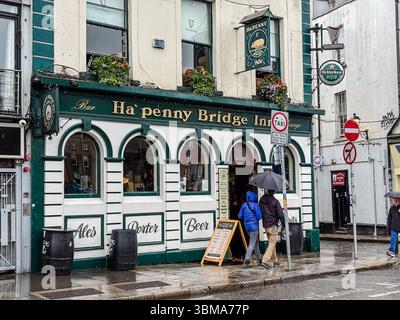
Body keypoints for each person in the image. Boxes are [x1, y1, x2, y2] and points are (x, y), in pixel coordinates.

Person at [259, 189, 284, 269]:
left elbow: (261, 211)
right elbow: (280, 214)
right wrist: (283, 223)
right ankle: (265, 261)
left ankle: (275, 260)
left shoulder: (261, 200)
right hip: (273, 225)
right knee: (272, 243)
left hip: (265, 224)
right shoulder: (275, 201)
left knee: (271, 242)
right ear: (273, 192)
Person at [238, 190, 263, 268]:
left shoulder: (244, 205)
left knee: (255, 243)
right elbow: (259, 216)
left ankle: (259, 259)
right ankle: (246, 260)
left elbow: (239, 216)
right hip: (254, 227)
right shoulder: (255, 205)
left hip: (247, 227)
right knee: (252, 243)